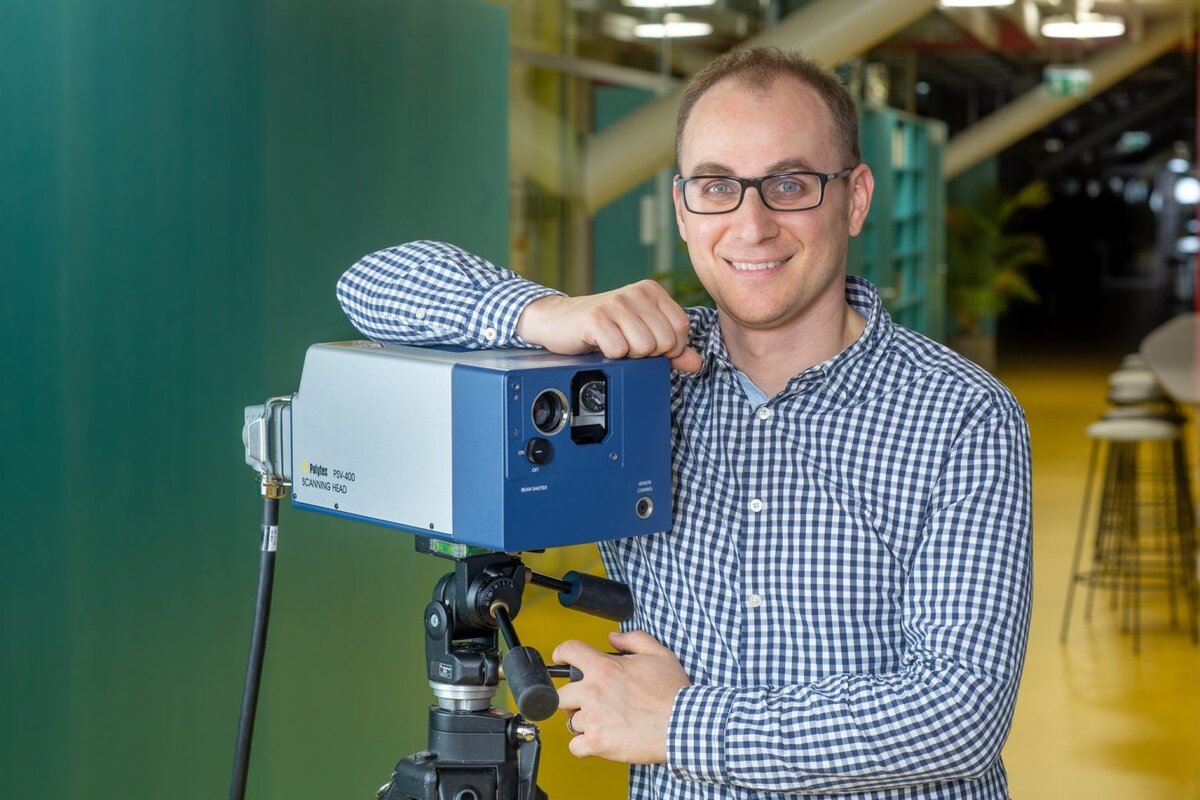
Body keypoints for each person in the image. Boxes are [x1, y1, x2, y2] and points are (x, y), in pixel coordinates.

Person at [337, 46, 1031, 800]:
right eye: (717, 186)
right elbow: (369, 285)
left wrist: (681, 725)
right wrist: (543, 313)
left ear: (854, 199)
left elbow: (961, 714)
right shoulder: (635, 378)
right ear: (682, 207)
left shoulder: (962, 415)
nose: (751, 225)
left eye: (790, 184)